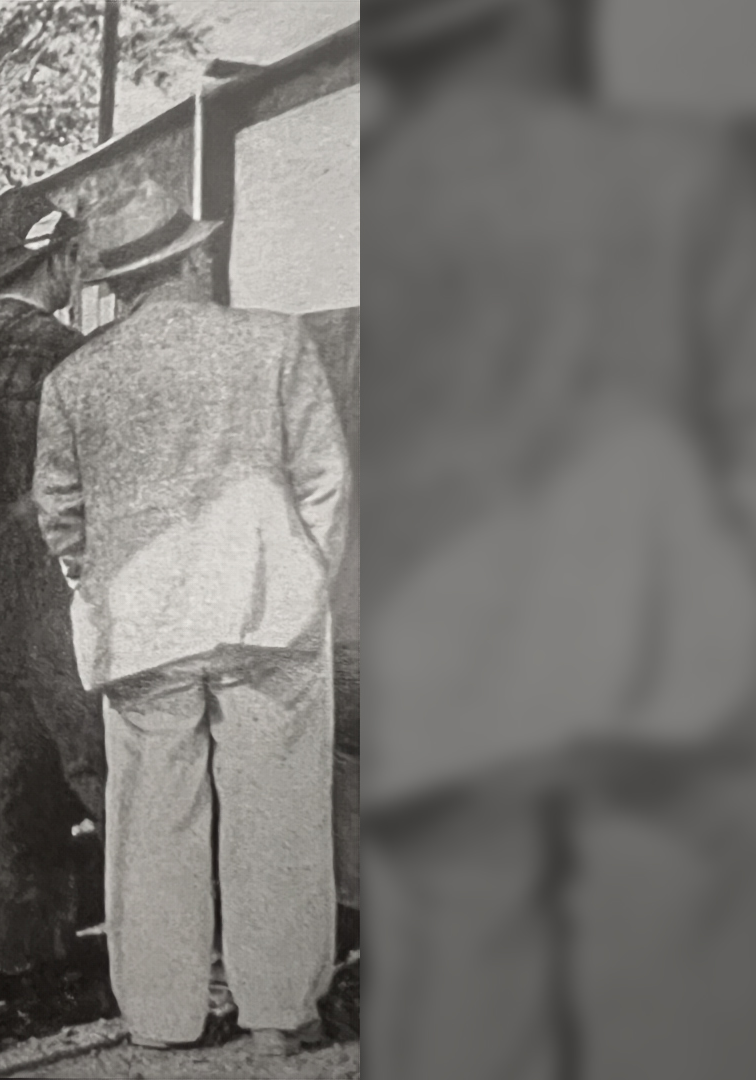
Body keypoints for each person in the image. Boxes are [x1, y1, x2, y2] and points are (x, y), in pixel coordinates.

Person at [363, 1, 756, 1078]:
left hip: (460, 650)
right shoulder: (683, 175)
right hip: (655, 648)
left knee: (467, 970)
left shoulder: (398, 196)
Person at [33, 177, 350, 1055]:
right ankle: (281, 1011)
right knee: (276, 812)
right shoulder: (273, 342)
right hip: (266, 610)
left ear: (123, 282)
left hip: (140, 624)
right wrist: (303, 571)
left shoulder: (75, 378)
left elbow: (60, 513)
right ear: (195, 258)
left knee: (150, 826)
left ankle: (165, 1017)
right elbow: (323, 478)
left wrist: (97, 581)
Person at [0, 206, 110, 1019]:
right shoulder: (61, 351)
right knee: (101, 766)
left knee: (21, 778)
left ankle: (26, 952)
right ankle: (180, 931)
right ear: (56, 260)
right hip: (56, 591)